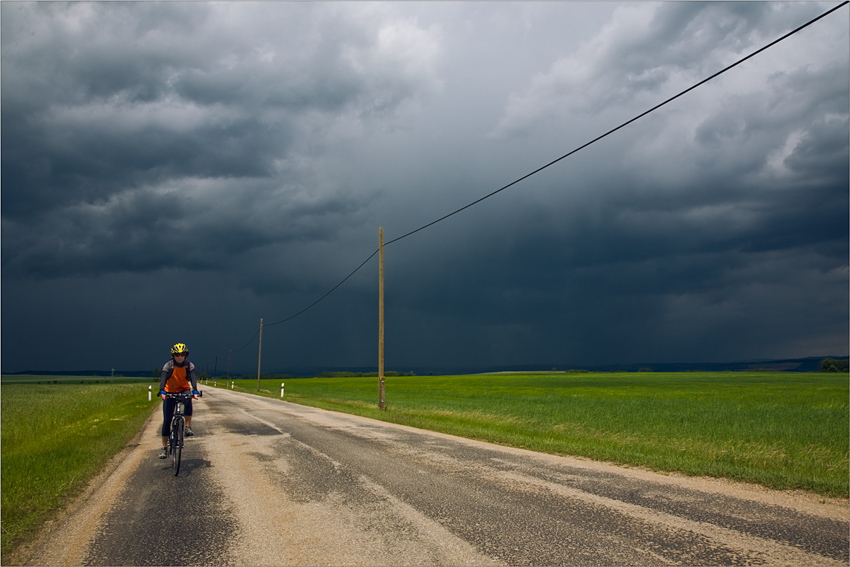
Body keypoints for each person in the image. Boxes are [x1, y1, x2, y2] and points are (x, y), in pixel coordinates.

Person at [158, 343, 200, 459]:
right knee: (167, 420)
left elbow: (192, 378)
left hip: (184, 389)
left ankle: (187, 426)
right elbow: (163, 379)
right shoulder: (168, 366)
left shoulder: (189, 366)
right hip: (170, 391)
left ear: (186, 355)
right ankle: (164, 447)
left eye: (182, 355)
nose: (180, 357)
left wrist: (195, 391)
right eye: (177, 355)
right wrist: (162, 391)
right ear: (173, 355)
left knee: (188, 400)